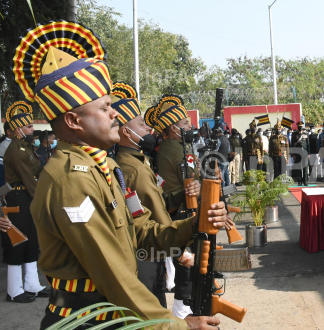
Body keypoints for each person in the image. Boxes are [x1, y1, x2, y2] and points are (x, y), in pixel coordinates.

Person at [13, 21, 226, 329]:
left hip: (115, 316)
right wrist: (178, 325)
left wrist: (195, 224)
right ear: (73, 120)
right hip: (86, 320)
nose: (115, 114)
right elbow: (110, 272)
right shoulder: (70, 179)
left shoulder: (106, 169)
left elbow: (140, 233)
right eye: (105, 108)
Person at [114, 82, 189, 310]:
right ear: (126, 131)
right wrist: (178, 248)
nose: (148, 128)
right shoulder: (132, 167)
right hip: (146, 250)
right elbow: (153, 210)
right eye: (141, 124)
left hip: (153, 247)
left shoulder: (138, 161)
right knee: (152, 309)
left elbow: (156, 200)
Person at [153, 94, 202, 318]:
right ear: (174, 129)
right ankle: (182, 307)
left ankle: (184, 303)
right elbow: (190, 180)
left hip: (181, 207)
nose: (189, 126)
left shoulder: (177, 147)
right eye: (184, 123)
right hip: (181, 209)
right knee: (187, 260)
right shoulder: (175, 150)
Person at [2, 101, 48, 304]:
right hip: (18, 198)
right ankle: (13, 290)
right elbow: (29, 179)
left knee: (31, 241)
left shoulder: (26, 148)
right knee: (17, 240)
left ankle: (31, 284)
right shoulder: (16, 150)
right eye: (29, 127)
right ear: (18, 129)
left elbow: (37, 172)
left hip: (27, 196)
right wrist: (42, 200)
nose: (32, 130)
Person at [291, 122, 309, 186]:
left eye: (301, 126)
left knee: (305, 168)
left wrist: (308, 153)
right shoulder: (294, 134)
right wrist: (293, 154)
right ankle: (299, 181)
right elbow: (292, 144)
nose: (300, 127)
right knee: (298, 168)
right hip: (297, 153)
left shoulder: (306, 134)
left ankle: (305, 181)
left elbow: (308, 144)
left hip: (304, 153)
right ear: (297, 127)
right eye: (299, 126)